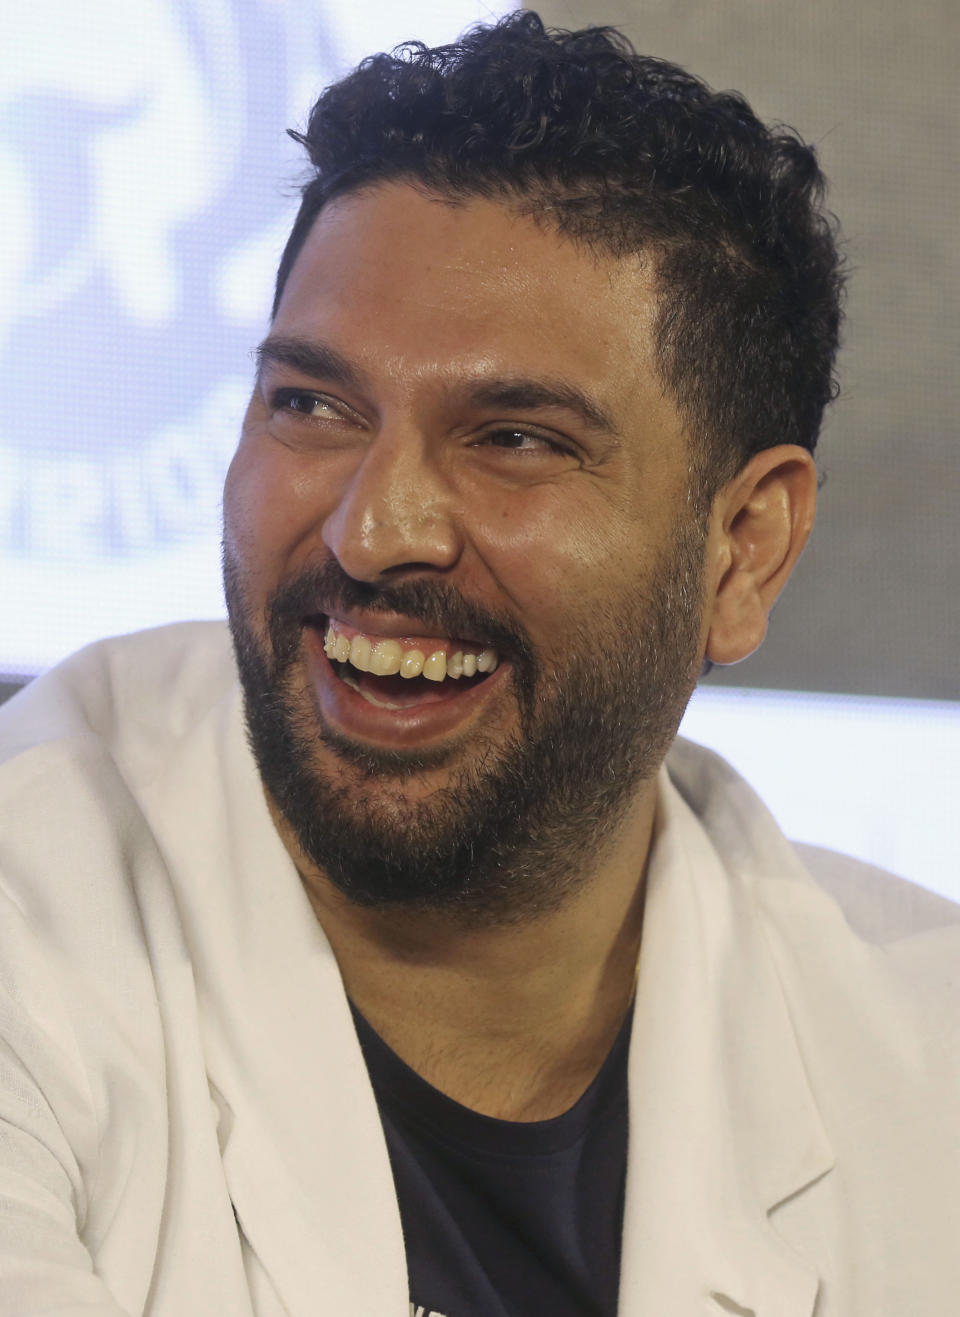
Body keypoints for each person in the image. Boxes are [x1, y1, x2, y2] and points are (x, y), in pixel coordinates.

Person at [0, 11, 957, 1316]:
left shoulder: (926, 1049)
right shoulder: (29, 923)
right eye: (312, 406)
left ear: (742, 550)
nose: (372, 529)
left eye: (515, 438)